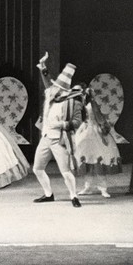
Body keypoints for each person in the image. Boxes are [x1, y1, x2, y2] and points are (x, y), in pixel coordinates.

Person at [32, 52, 83, 207]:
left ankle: (74, 196)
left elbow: (77, 122)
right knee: (37, 168)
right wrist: (43, 68)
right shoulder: (51, 96)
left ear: (62, 91)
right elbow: (48, 83)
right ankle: (48, 194)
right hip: (46, 138)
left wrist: (61, 124)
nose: (51, 89)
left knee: (66, 171)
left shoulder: (72, 103)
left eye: (55, 88)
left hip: (60, 140)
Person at [75, 85, 122, 198]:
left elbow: (99, 118)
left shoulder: (91, 104)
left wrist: (103, 131)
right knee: (87, 160)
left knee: (99, 159)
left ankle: (103, 188)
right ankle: (87, 187)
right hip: (83, 132)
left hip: (94, 131)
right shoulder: (75, 104)